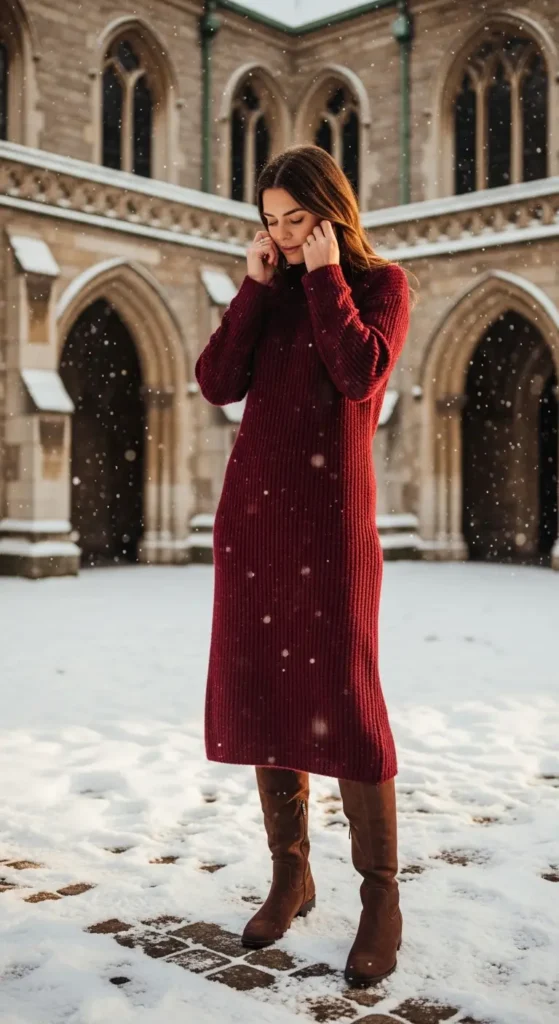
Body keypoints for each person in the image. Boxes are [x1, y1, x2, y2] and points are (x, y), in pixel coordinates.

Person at [194, 144, 413, 989]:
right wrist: (256, 287)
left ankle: (379, 895)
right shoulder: (270, 289)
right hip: (253, 518)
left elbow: (358, 375)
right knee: (264, 692)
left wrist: (324, 277)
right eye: (271, 223)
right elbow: (216, 382)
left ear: (330, 213)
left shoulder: (379, 286)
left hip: (330, 523)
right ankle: (291, 873)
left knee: (349, 704)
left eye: (296, 221)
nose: (282, 237)